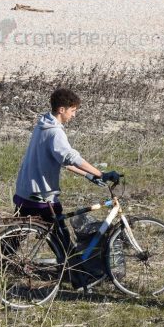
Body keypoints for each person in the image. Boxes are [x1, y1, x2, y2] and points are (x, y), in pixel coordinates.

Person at [13, 88, 119, 286]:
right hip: (41, 197)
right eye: (73, 110)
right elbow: (70, 156)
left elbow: (60, 159)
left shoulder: (42, 125)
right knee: (62, 239)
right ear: (61, 109)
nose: (74, 114)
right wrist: (101, 173)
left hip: (25, 191)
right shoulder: (54, 132)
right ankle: (79, 281)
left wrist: (87, 175)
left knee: (13, 239)